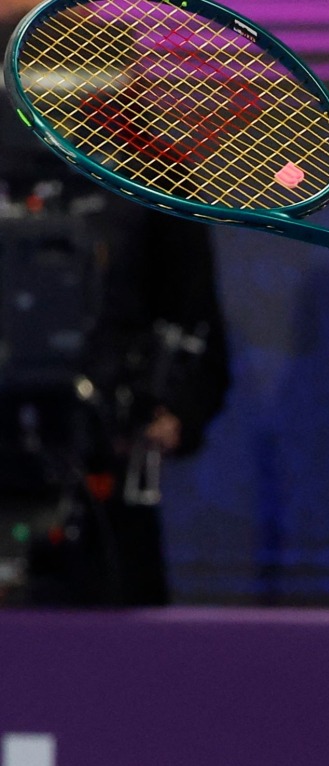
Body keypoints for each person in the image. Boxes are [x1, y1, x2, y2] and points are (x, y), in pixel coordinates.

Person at [2, 0, 230, 606]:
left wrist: (172, 410)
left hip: (99, 476)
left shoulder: (152, 176)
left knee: (116, 680)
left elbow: (195, 322)